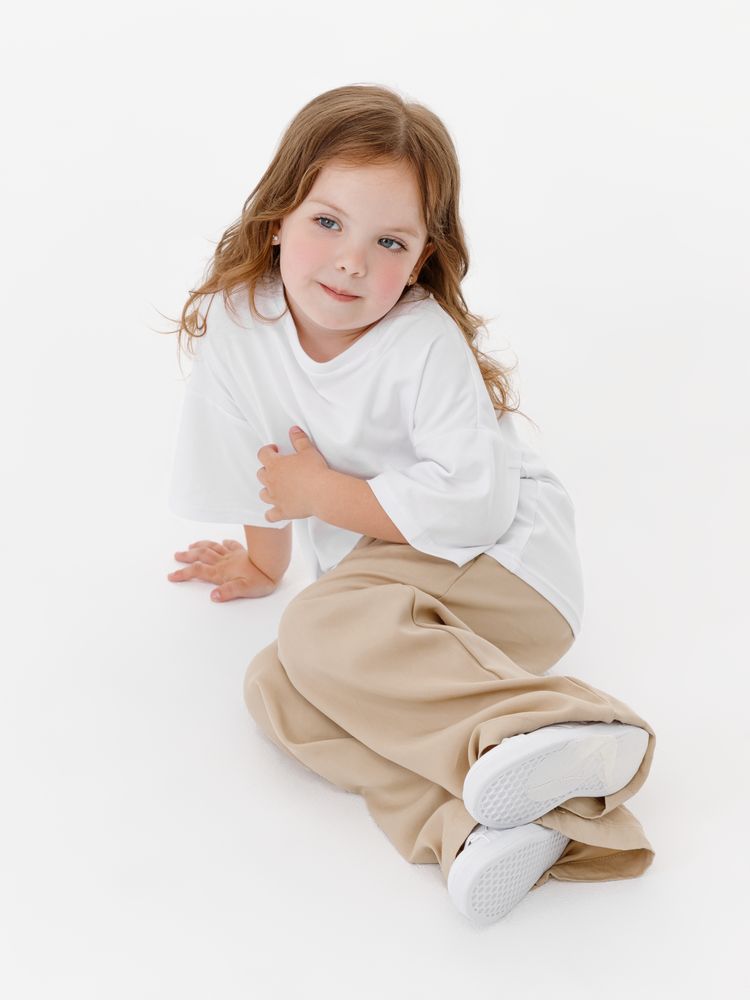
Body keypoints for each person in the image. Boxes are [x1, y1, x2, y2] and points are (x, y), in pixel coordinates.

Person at [164, 83, 656, 927]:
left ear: (423, 258)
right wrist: (263, 563)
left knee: (318, 626)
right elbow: (260, 464)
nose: (351, 261)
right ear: (276, 217)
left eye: (388, 241)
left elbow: (473, 506)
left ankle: (553, 722)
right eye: (328, 222)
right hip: (393, 601)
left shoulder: (421, 342)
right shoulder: (240, 325)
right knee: (276, 690)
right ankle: (481, 828)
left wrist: (323, 494)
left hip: (504, 566)